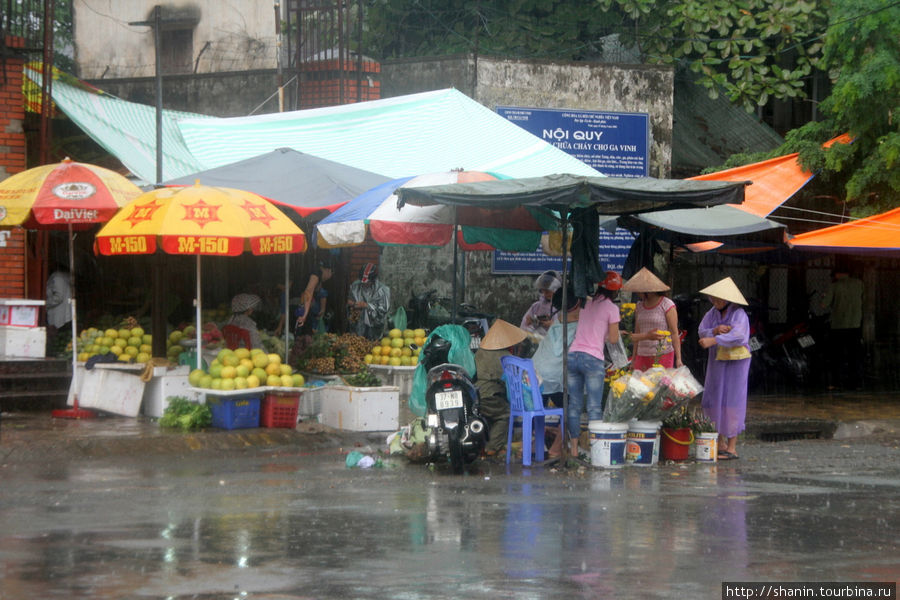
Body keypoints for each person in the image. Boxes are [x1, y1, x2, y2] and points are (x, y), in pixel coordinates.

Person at [566, 271, 622, 458]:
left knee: (574, 405)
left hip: (573, 355)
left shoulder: (586, 303)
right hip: (592, 358)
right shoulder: (612, 309)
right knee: (593, 406)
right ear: (616, 292)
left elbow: (568, 318)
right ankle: (594, 449)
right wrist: (604, 332)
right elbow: (613, 339)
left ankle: (574, 449)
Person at [697, 276, 751, 461]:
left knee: (732, 400)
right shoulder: (711, 313)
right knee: (714, 397)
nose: (715, 301)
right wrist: (714, 330)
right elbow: (702, 330)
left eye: (719, 299)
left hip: (736, 363)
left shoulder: (739, 314)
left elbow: (739, 336)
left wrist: (714, 339)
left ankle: (732, 447)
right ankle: (719, 442)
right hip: (717, 361)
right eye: (713, 298)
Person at [531, 286, 581, 457]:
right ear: (577, 302)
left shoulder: (559, 319)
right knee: (571, 407)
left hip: (534, 373)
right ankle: (556, 448)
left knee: (538, 408)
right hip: (553, 375)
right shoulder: (580, 320)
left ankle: (533, 444)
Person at [474, 319, 529, 458]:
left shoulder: (479, 352)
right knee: (504, 415)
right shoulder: (506, 357)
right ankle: (492, 447)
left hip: (477, 393)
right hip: (492, 394)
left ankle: (487, 445)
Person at [622, 267, 682, 371]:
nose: (637, 293)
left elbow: (674, 333)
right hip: (642, 354)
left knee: (660, 385)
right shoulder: (639, 306)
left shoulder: (667, 304)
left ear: (647, 291)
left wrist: (679, 359)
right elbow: (637, 333)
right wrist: (634, 359)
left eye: (639, 291)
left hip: (662, 354)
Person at [821, 266, 864, 390]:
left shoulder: (835, 286)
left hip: (838, 325)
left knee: (836, 355)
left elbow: (824, 305)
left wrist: (824, 296)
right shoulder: (859, 284)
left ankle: (835, 382)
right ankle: (855, 383)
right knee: (854, 355)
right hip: (855, 324)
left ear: (838, 274)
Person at [347, 262, 391, 340]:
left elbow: (383, 310)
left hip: (375, 328)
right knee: (357, 345)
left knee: (374, 347)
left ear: (374, 280)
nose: (364, 283)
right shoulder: (355, 286)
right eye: (362, 281)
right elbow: (349, 301)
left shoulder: (383, 290)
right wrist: (354, 305)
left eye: (367, 282)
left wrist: (366, 305)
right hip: (358, 326)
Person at [296, 257, 334, 335]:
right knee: (301, 333)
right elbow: (308, 292)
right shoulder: (316, 275)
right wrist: (304, 315)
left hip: (301, 303)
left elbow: (317, 292)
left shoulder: (318, 275)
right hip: (298, 303)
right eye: (331, 274)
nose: (330, 277)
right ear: (328, 271)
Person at [520, 270, 561, 337]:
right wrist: (530, 322)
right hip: (539, 344)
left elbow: (570, 329)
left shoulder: (565, 306)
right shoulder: (536, 306)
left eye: (548, 290)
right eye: (544, 291)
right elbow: (523, 328)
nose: (545, 294)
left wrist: (553, 325)